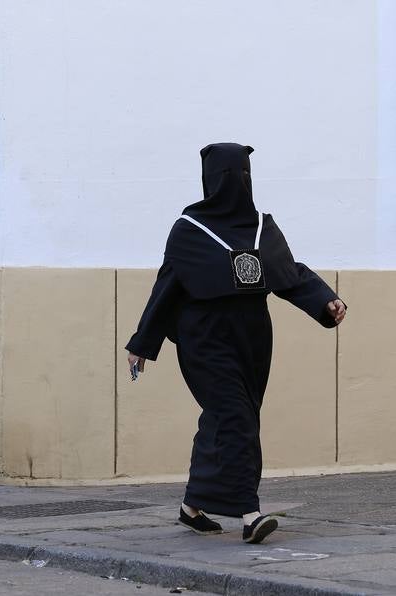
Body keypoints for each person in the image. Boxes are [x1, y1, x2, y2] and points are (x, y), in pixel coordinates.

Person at [125, 143, 347, 544]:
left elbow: (288, 273)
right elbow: (168, 286)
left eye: (243, 175)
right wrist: (143, 342)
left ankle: (192, 505)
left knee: (228, 417)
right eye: (229, 176)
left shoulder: (261, 225)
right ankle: (250, 512)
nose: (236, 184)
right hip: (204, 338)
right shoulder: (189, 228)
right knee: (235, 418)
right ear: (211, 181)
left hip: (253, 338)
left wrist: (325, 300)